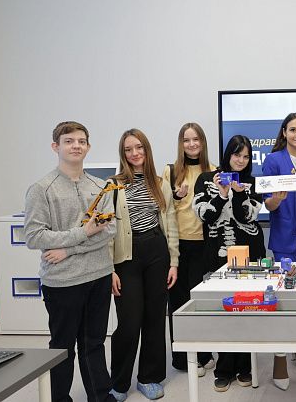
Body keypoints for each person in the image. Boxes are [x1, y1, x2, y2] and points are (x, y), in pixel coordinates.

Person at [24, 121, 117, 402]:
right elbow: (35, 236)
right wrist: (83, 233)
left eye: (81, 141)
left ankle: (100, 396)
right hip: (62, 282)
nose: (76, 146)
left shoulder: (101, 187)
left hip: (99, 276)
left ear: (88, 147)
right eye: (69, 141)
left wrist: (69, 249)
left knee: (94, 343)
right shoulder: (41, 189)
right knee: (62, 347)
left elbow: (109, 230)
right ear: (56, 146)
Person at [109, 129, 179, 401]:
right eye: (128, 149)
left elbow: (170, 222)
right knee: (128, 322)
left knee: (154, 318)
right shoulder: (114, 185)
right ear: (123, 154)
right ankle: (118, 383)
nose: (135, 153)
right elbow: (106, 230)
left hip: (157, 252)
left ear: (147, 149)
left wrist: (173, 262)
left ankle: (149, 378)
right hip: (126, 256)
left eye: (139, 147)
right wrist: (109, 270)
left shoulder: (159, 183)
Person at [193, 134, 265, 392]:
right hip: (217, 255)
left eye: (246, 156)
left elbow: (247, 216)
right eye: (237, 154)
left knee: (248, 307)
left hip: (250, 253)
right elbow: (205, 216)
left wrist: (238, 194)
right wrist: (222, 194)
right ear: (228, 155)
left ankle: (245, 366)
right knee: (223, 310)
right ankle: (224, 368)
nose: (241, 160)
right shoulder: (206, 179)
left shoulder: (252, 183)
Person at [261, 112, 296, 389]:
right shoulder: (274, 160)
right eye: (293, 130)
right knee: (284, 298)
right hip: (286, 238)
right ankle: (280, 360)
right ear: (284, 132)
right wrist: (276, 199)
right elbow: (268, 205)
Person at [165, 123, 216, 376]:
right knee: (179, 303)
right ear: (181, 144)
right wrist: (175, 196)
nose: (192, 144)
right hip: (179, 246)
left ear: (203, 142)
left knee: (201, 303)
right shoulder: (171, 171)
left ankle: (204, 353)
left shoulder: (214, 171)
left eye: (196, 139)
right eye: (186, 140)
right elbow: (163, 208)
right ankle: (183, 357)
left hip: (205, 244)